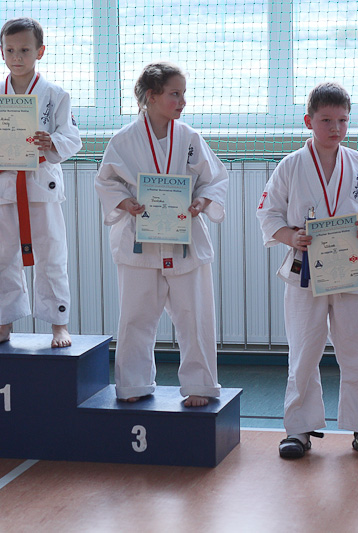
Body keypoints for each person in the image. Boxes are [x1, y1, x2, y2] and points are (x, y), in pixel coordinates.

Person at [256, 82, 358, 458]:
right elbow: (268, 213)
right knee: (303, 351)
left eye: (342, 120)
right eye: (326, 120)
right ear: (309, 121)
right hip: (305, 272)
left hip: (350, 269)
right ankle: (299, 429)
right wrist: (290, 236)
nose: (335, 128)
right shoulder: (291, 165)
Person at [95, 62, 228, 407]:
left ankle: (200, 385)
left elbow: (214, 179)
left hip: (185, 241)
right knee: (135, 317)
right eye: (174, 94)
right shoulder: (123, 140)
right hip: (140, 241)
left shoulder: (190, 138)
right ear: (151, 96)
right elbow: (106, 180)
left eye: (183, 94)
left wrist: (202, 200)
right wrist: (124, 201)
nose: (182, 101)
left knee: (194, 318)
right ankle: (133, 384)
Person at [0, 17, 81, 349]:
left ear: (40, 51)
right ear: (2, 52)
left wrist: (51, 141)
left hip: (41, 185)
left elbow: (72, 138)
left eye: (25, 50)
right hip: (4, 186)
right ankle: (4, 324)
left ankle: (59, 325)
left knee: (51, 256)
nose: (17, 57)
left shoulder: (56, 94)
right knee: (3, 259)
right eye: (10, 50)